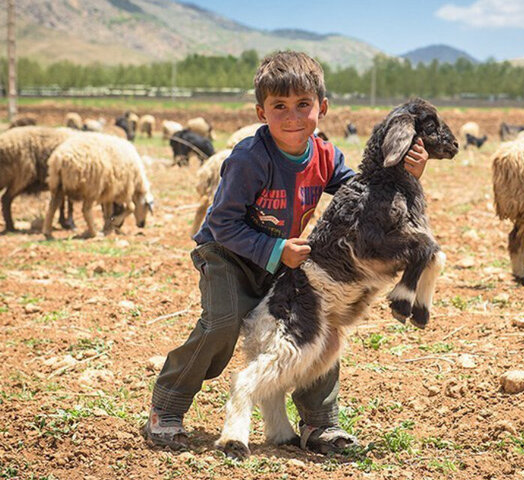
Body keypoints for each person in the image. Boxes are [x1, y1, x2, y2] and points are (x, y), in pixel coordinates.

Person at [143, 51, 429, 454]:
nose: (292, 116)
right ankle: (167, 407)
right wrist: (275, 248)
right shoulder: (248, 159)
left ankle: (319, 424)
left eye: (303, 105)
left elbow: (362, 194)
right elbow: (222, 223)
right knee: (223, 323)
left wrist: (403, 172)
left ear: (322, 108)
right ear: (262, 112)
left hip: (286, 257)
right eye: (279, 107)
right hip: (229, 256)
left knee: (321, 319)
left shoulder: (327, 157)